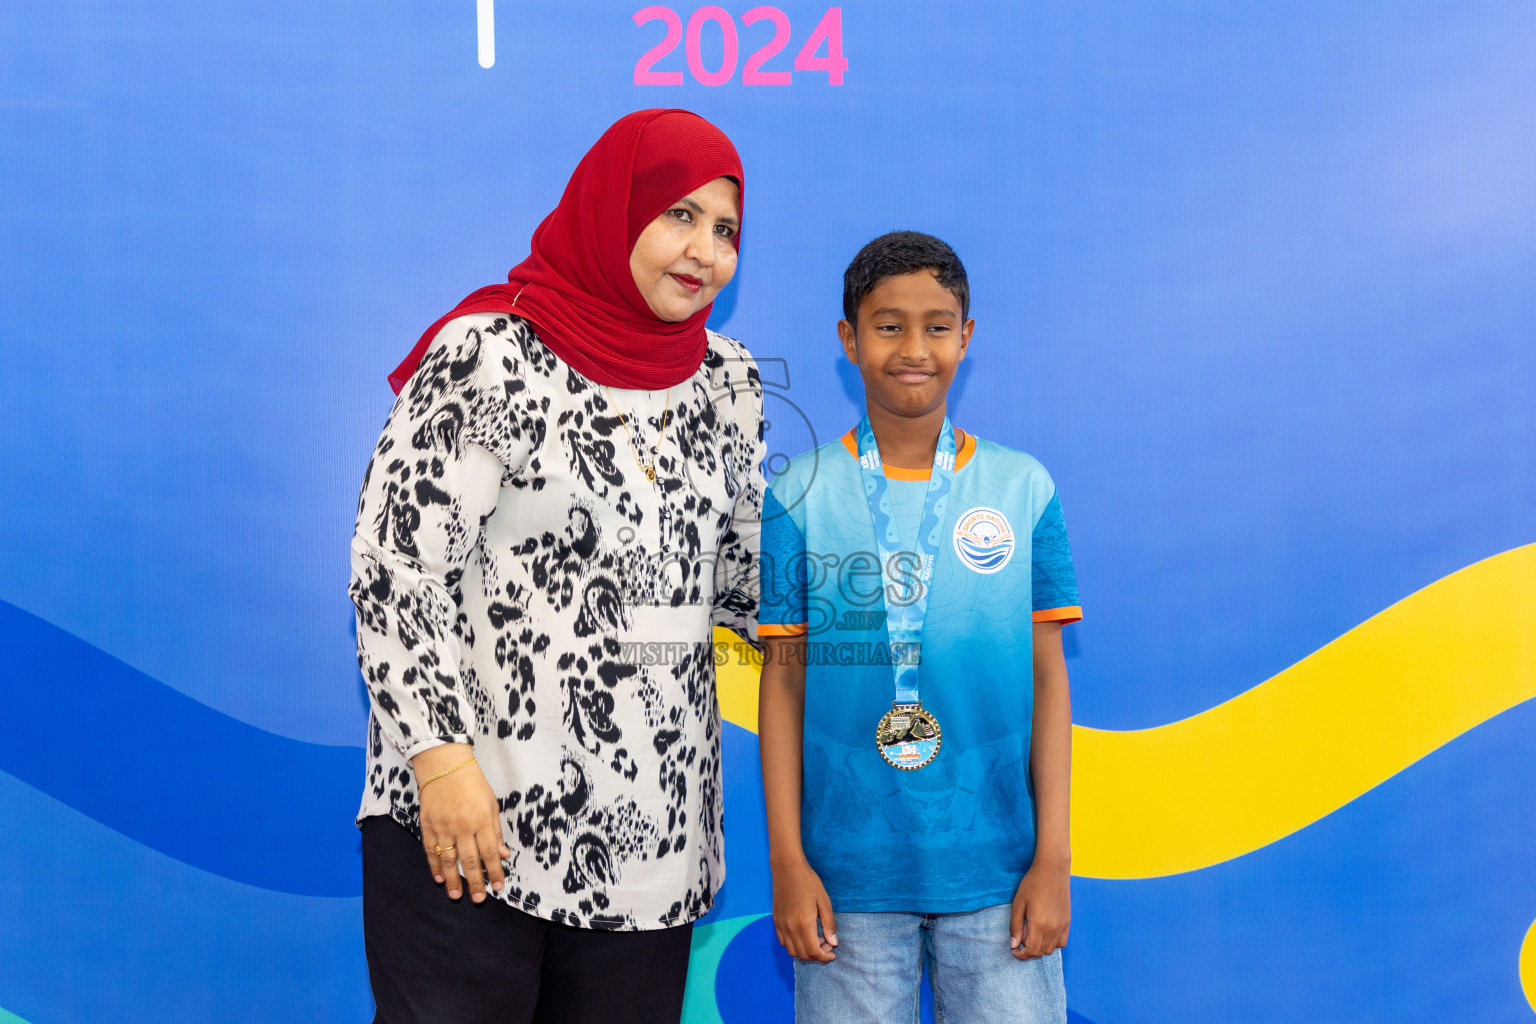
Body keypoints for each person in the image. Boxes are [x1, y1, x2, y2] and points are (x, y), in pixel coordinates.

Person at [349, 108, 764, 1024]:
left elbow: (741, 584)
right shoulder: (492, 354)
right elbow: (395, 572)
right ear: (613, 211)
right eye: (677, 215)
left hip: (648, 840)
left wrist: (897, 578)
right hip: (473, 818)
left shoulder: (727, 381)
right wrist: (443, 765)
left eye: (726, 229)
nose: (703, 249)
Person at [757, 231, 1080, 1023]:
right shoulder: (799, 493)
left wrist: (1053, 860)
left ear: (966, 338)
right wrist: (789, 864)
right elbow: (784, 682)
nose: (913, 348)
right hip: (847, 883)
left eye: (937, 326)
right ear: (848, 339)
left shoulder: (1021, 486)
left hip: (999, 879)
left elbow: (1048, 677)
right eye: (887, 324)